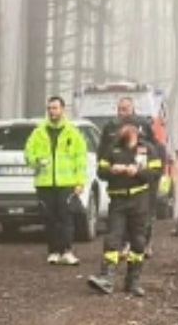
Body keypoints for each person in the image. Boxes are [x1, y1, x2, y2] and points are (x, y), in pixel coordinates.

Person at [88, 123, 164, 297]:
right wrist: (112, 170)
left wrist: (136, 172)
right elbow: (101, 171)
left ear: (136, 134)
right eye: (122, 132)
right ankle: (106, 278)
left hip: (139, 200)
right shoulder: (112, 149)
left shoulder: (148, 149)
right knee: (113, 238)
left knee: (138, 241)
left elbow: (156, 173)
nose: (123, 134)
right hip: (118, 200)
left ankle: (133, 281)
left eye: (127, 132)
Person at [23, 95, 88, 266]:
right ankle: (53, 251)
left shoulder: (72, 133)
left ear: (62, 110)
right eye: (50, 108)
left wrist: (80, 182)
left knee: (66, 218)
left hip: (66, 183)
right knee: (50, 218)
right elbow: (28, 155)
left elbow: (80, 159)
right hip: (45, 183)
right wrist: (37, 161)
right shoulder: (38, 133)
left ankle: (67, 251)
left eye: (55, 108)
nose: (52, 112)